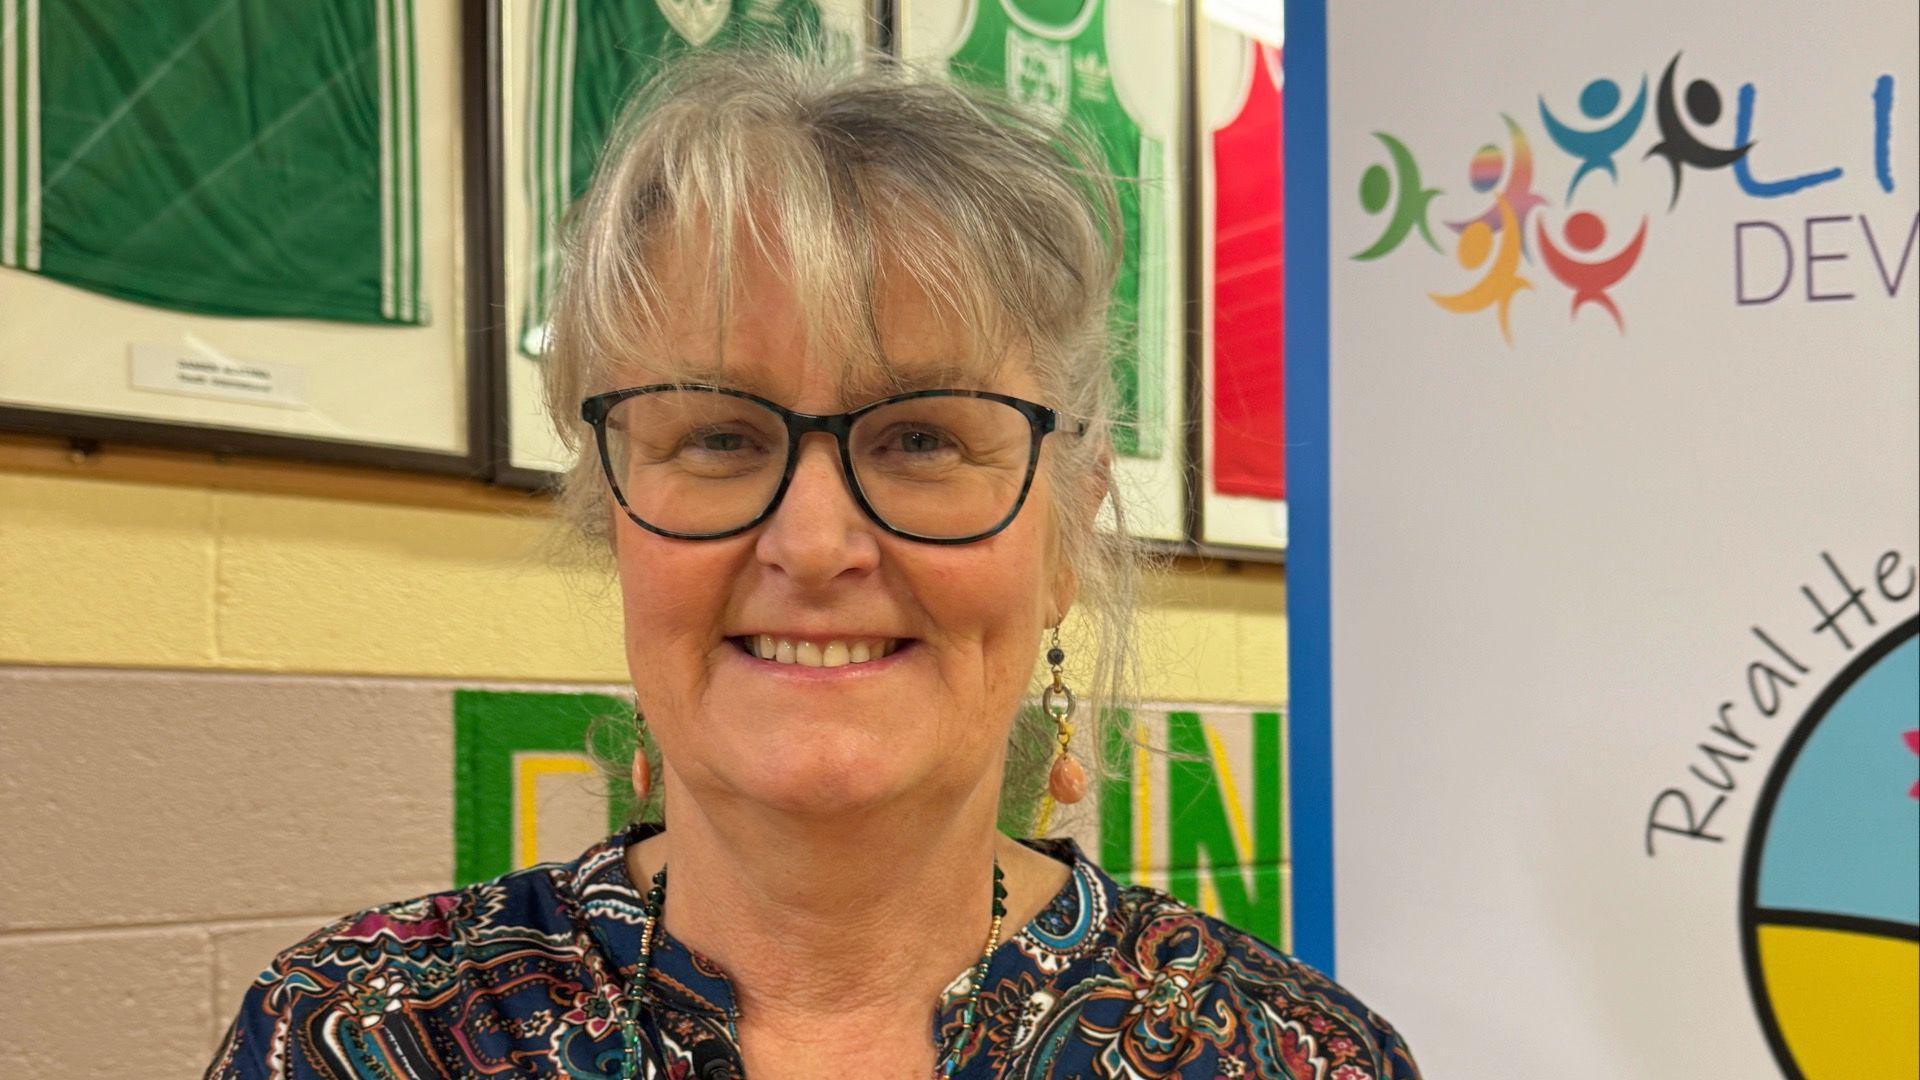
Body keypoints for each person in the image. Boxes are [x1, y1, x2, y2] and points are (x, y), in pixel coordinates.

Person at [206, 45, 1420, 1080]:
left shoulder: (1282, 1053)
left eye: (925, 437)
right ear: (612, 520)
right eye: (721, 436)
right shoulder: (361, 1037)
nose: (816, 545)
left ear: (1065, 538)